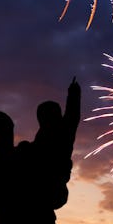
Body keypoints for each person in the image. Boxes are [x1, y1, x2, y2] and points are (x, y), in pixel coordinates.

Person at [33, 78, 81, 209]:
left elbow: (72, 114)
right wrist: (74, 94)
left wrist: (74, 94)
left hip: (50, 188)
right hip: (51, 188)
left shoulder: (62, 133)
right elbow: (73, 115)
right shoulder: (60, 132)